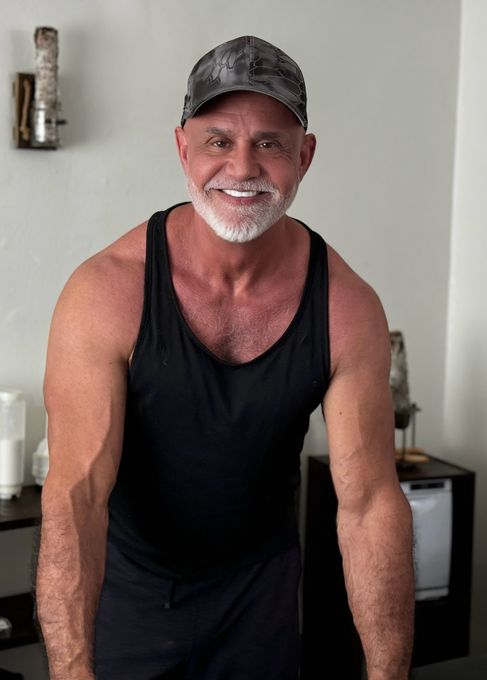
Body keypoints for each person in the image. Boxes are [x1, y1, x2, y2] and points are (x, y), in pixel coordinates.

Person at [36, 35, 414, 680]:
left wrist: (389, 673)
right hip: (130, 591)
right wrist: (73, 671)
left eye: (269, 143)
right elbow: (77, 495)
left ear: (304, 156)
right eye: (218, 141)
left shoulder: (347, 308)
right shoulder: (106, 293)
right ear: (183, 148)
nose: (242, 168)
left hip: (261, 598)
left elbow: (370, 502)